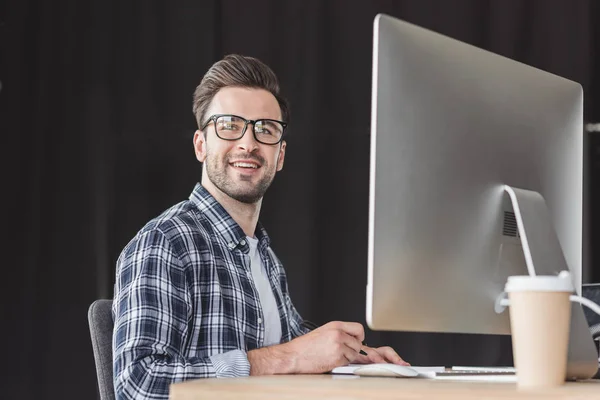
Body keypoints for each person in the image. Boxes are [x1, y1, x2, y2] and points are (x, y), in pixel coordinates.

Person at [112, 54, 408, 399]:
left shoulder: (262, 256)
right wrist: (289, 357)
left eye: (265, 129)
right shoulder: (165, 243)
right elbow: (137, 385)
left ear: (279, 156)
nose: (248, 143)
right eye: (229, 125)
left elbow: (301, 352)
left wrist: (358, 360)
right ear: (200, 145)